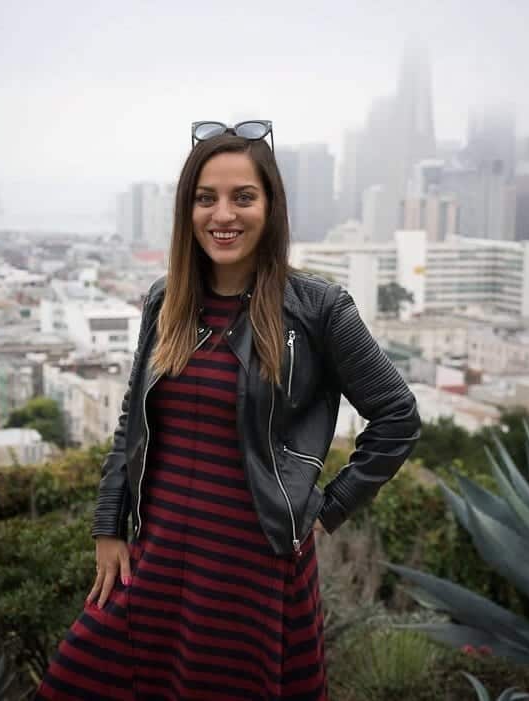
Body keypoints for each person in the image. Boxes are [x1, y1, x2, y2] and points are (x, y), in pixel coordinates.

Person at [36, 120, 421, 701]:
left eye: (243, 197)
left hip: (250, 566)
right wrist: (108, 526)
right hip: (157, 552)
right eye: (206, 198)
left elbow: (397, 417)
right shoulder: (165, 300)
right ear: (187, 211)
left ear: (270, 207)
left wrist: (327, 509)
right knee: (78, 678)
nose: (224, 215)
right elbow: (132, 423)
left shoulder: (319, 309)